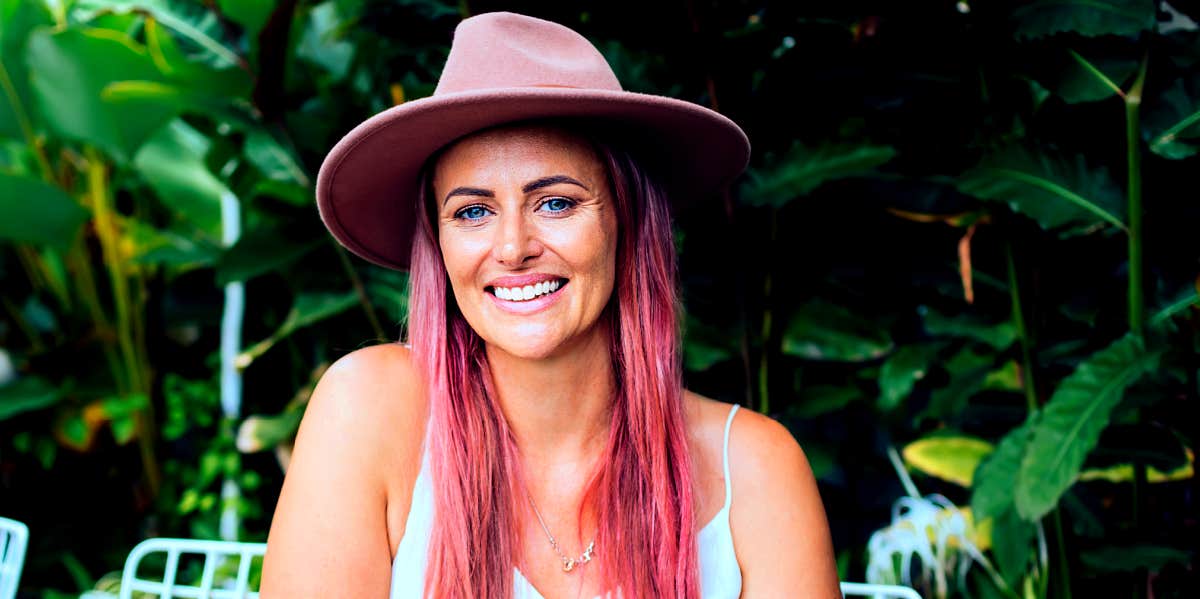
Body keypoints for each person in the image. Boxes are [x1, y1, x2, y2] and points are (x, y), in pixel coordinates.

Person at [262, 11, 839, 599]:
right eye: (472, 212)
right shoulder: (369, 409)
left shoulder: (754, 469)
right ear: (437, 242)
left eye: (556, 203)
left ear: (629, 221)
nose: (512, 249)